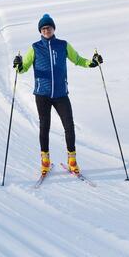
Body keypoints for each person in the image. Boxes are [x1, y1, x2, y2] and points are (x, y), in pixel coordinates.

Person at [13, 13, 103, 175]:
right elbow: (23, 68)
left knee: (69, 125)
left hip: (61, 93)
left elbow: (78, 60)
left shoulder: (63, 45)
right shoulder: (35, 48)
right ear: (40, 31)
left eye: (49, 27)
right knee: (44, 126)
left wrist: (92, 63)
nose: (46, 30)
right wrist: (18, 65)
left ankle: (72, 160)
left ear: (54, 28)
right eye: (43, 28)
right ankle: (45, 161)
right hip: (42, 94)